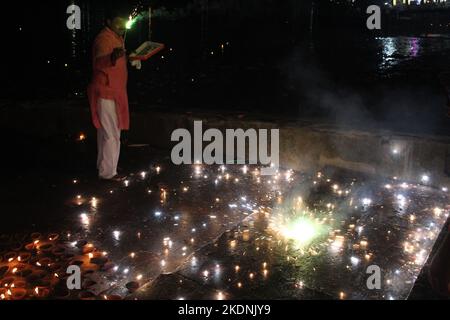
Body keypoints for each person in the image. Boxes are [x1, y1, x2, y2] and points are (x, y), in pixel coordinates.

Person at [87, 7, 130, 181]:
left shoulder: (116, 38)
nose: (122, 27)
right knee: (112, 134)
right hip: (106, 92)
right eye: (118, 23)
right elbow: (101, 60)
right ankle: (108, 173)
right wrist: (113, 57)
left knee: (106, 133)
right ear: (108, 22)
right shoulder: (104, 39)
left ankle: (105, 166)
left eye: (123, 24)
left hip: (112, 91)